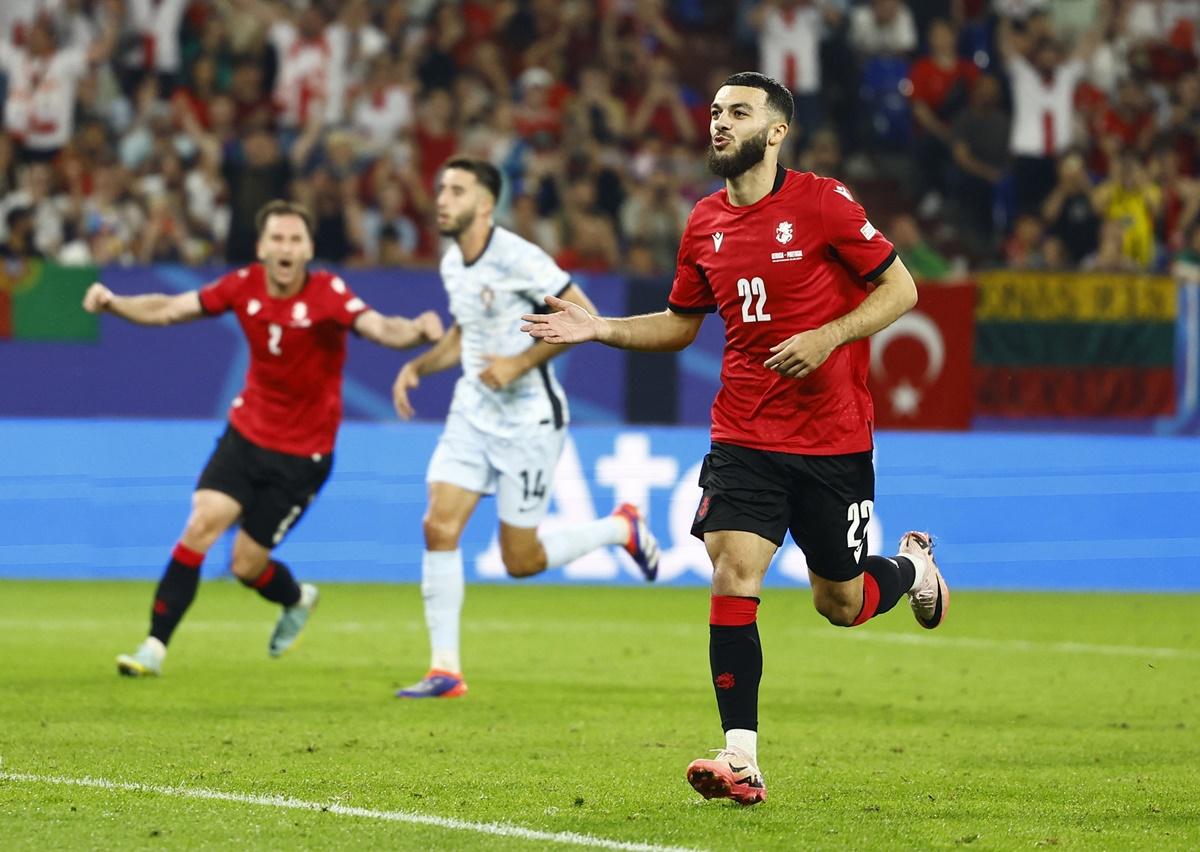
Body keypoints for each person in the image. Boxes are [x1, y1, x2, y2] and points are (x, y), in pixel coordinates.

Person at [522, 72, 949, 806]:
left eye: (739, 112)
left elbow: (902, 290)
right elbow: (681, 324)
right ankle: (742, 759)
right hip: (746, 431)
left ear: (776, 131)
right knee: (733, 568)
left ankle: (911, 568)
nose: (720, 123)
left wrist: (829, 336)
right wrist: (597, 329)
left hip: (833, 436)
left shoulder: (822, 202)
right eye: (716, 111)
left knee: (839, 604)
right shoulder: (703, 223)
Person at [82, 200, 444, 677]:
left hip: (302, 454)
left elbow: (380, 328)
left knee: (246, 565)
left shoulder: (328, 293)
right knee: (201, 524)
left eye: (295, 240)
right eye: (277, 239)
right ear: (261, 247)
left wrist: (416, 331)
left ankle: (296, 599)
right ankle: (154, 645)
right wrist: (114, 303)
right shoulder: (242, 285)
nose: (286, 248)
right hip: (247, 433)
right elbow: (171, 308)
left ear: (309, 248)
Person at [390, 157, 660, 700]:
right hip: (472, 412)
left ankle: (620, 528)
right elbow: (467, 332)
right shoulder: (452, 263)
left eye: (456, 190)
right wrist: (419, 365)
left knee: (521, 561)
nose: (442, 198)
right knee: (438, 528)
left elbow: (583, 315)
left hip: (529, 420)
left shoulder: (519, 257)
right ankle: (445, 669)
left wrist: (517, 363)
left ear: (484, 205)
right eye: (441, 187)